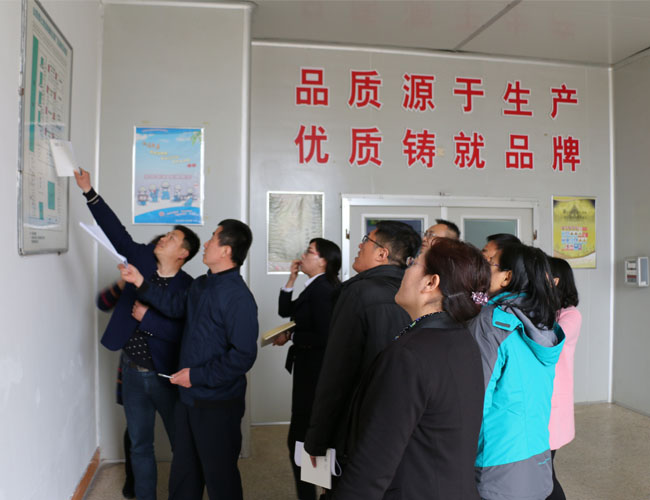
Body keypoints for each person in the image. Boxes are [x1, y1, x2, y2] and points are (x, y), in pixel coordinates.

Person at [331, 238, 489, 500]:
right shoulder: (461, 340)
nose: (405, 270)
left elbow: (374, 462)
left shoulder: (409, 355)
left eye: (414, 264)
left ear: (431, 283)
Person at [74, 169, 199, 500]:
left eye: (172, 238)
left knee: (181, 444)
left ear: (183, 254)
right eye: (165, 234)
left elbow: (183, 333)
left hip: (166, 375)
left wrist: (147, 320)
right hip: (131, 372)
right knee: (140, 445)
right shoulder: (141, 258)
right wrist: (89, 191)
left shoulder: (188, 288)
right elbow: (115, 231)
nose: (164, 238)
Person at [119, 219, 258, 500]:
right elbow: (174, 306)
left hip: (218, 404)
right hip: (187, 400)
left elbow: (243, 356)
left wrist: (195, 376)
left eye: (213, 238)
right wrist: (140, 282)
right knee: (184, 475)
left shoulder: (239, 298)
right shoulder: (202, 284)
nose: (206, 244)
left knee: (221, 480)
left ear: (226, 250)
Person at [304, 221, 421, 488]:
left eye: (366, 240)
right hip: (401, 424)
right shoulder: (414, 293)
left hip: (358, 424)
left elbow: (337, 374)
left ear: (382, 253)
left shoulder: (358, 293)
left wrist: (317, 439)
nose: (359, 245)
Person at [469, 243, 565, 500]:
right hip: (536, 452)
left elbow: (476, 398)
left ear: (507, 277)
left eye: (489, 263)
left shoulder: (491, 323)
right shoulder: (542, 321)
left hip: (496, 458)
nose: (482, 269)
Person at [273, 238, 341, 500]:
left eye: (309, 252)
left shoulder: (323, 290)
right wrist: (291, 279)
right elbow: (285, 311)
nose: (302, 256)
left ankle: (312, 494)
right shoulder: (315, 286)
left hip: (315, 375)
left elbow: (326, 336)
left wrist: (292, 336)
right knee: (304, 439)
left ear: (323, 261)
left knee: (301, 441)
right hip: (309, 371)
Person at [547, 257, 582, 500]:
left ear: (555, 281)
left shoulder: (571, 315)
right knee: (541, 471)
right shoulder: (545, 311)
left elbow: (549, 341)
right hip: (542, 400)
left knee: (544, 473)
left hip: (553, 403)